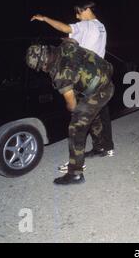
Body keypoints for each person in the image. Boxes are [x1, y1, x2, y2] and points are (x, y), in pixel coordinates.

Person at [30, 1, 114, 171]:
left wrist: (45, 18)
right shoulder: (100, 26)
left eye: (78, 13)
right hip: (100, 73)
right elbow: (73, 41)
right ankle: (104, 148)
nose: (77, 16)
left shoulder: (86, 26)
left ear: (87, 10)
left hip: (86, 79)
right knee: (98, 115)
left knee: (78, 122)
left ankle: (76, 167)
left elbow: (64, 28)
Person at [25, 38, 114, 185]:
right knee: (93, 114)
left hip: (99, 91)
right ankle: (100, 148)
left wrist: (71, 108)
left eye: (40, 67)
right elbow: (73, 41)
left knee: (76, 127)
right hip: (106, 80)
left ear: (44, 62)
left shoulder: (60, 74)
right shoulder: (65, 46)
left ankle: (75, 174)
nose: (42, 70)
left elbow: (72, 105)